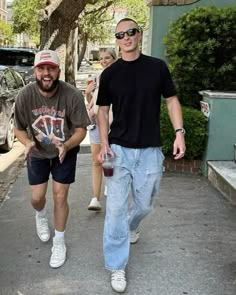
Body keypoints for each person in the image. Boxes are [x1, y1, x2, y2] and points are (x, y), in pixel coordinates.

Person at [96, 18, 186, 293]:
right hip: (119, 150)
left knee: (145, 205)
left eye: (130, 32)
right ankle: (116, 265)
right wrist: (103, 144)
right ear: (117, 40)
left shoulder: (157, 68)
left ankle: (133, 225)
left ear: (139, 34)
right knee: (114, 211)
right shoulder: (110, 74)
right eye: (120, 34)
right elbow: (101, 110)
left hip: (149, 150)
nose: (126, 37)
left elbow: (171, 100)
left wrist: (179, 132)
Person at [14, 49, 90, 269]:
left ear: (58, 70)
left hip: (64, 151)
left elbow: (80, 129)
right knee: (37, 198)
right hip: (37, 153)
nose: (46, 73)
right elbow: (18, 128)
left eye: (51, 68)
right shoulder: (25, 95)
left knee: (59, 196)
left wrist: (66, 145)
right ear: (35, 70)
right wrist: (28, 143)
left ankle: (59, 241)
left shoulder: (72, 95)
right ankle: (40, 215)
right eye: (41, 68)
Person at [85, 48, 117, 211]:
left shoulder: (120, 76)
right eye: (102, 58)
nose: (104, 61)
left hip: (114, 124)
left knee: (112, 162)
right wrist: (88, 93)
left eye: (107, 58)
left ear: (114, 58)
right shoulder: (98, 76)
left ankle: (110, 187)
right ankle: (95, 199)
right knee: (97, 160)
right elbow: (93, 101)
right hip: (96, 123)